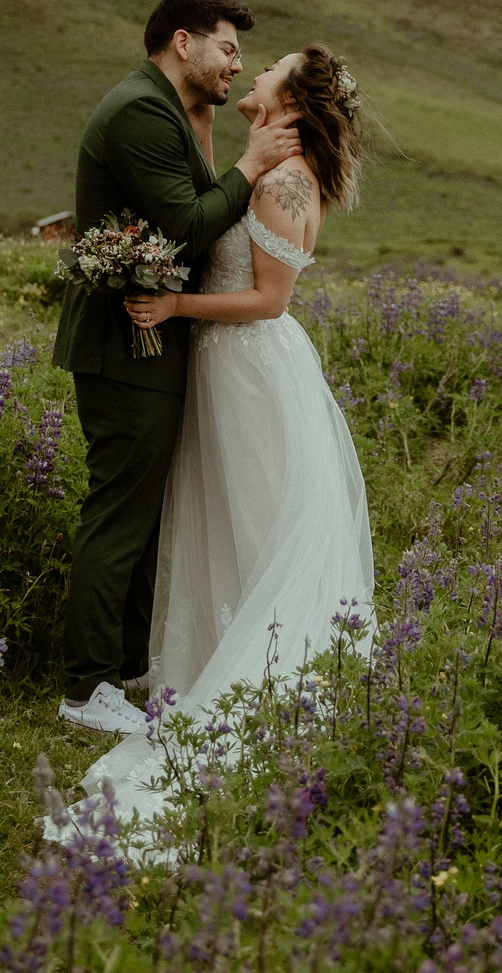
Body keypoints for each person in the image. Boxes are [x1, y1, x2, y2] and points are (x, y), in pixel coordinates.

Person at [74, 41, 378, 836]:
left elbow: (270, 299)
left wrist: (175, 307)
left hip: (251, 372)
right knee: (224, 521)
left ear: (292, 97)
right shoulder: (262, 163)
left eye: (271, 66)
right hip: (226, 367)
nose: (254, 70)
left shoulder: (283, 179)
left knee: (256, 523)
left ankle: (263, 681)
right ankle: (222, 665)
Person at [52, 0, 301, 736]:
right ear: (184, 42)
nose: (237, 65)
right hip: (124, 339)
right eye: (228, 48)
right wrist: (251, 164)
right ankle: (85, 687)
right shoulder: (140, 111)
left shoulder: (173, 110)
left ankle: (126, 665)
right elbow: (188, 227)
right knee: (120, 510)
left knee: (145, 510)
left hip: (154, 339)